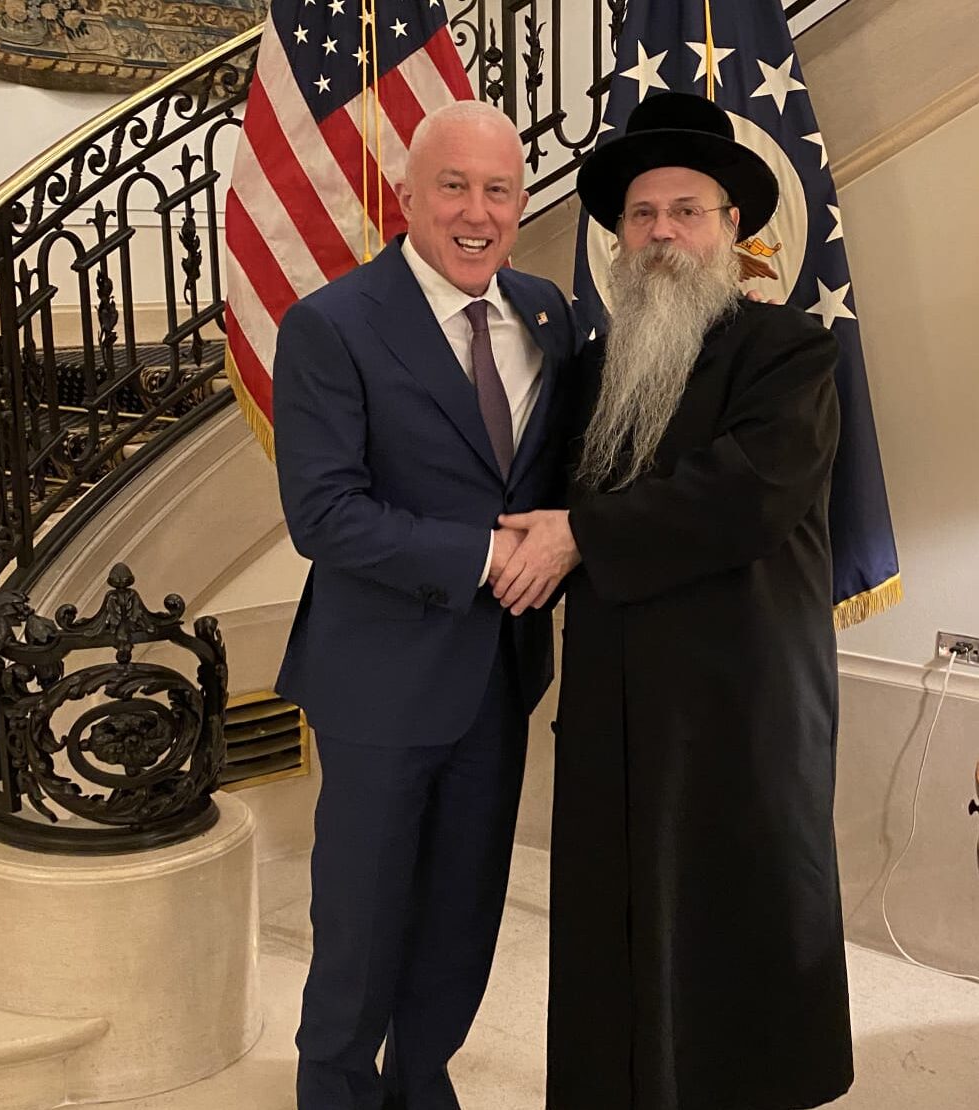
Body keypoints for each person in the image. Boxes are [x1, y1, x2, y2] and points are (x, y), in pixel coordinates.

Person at [496, 92, 853, 1110]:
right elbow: (543, 490)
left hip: (742, 701)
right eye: (642, 215)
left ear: (731, 229)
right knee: (621, 920)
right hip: (617, 701)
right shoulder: (597, 365)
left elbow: (748, 492)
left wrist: (581, 535)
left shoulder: (788, 350)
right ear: (618, 237)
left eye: (686, 211)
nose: (662, 233)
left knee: (739, 918)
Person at [270, 101, 579, 1109]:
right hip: (378, 680)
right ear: (406, 196)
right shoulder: (333, 325)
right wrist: (487, 556)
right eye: (454, 186)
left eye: (499, 190)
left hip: (499, 677)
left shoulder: (548, 313)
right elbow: (324, 515)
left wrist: (573, 529)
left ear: (521, 203)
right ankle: (335, 1090)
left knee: (461, 914)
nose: (477, 212)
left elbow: (568, 469)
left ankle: (422, 1081)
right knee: (361, 921)